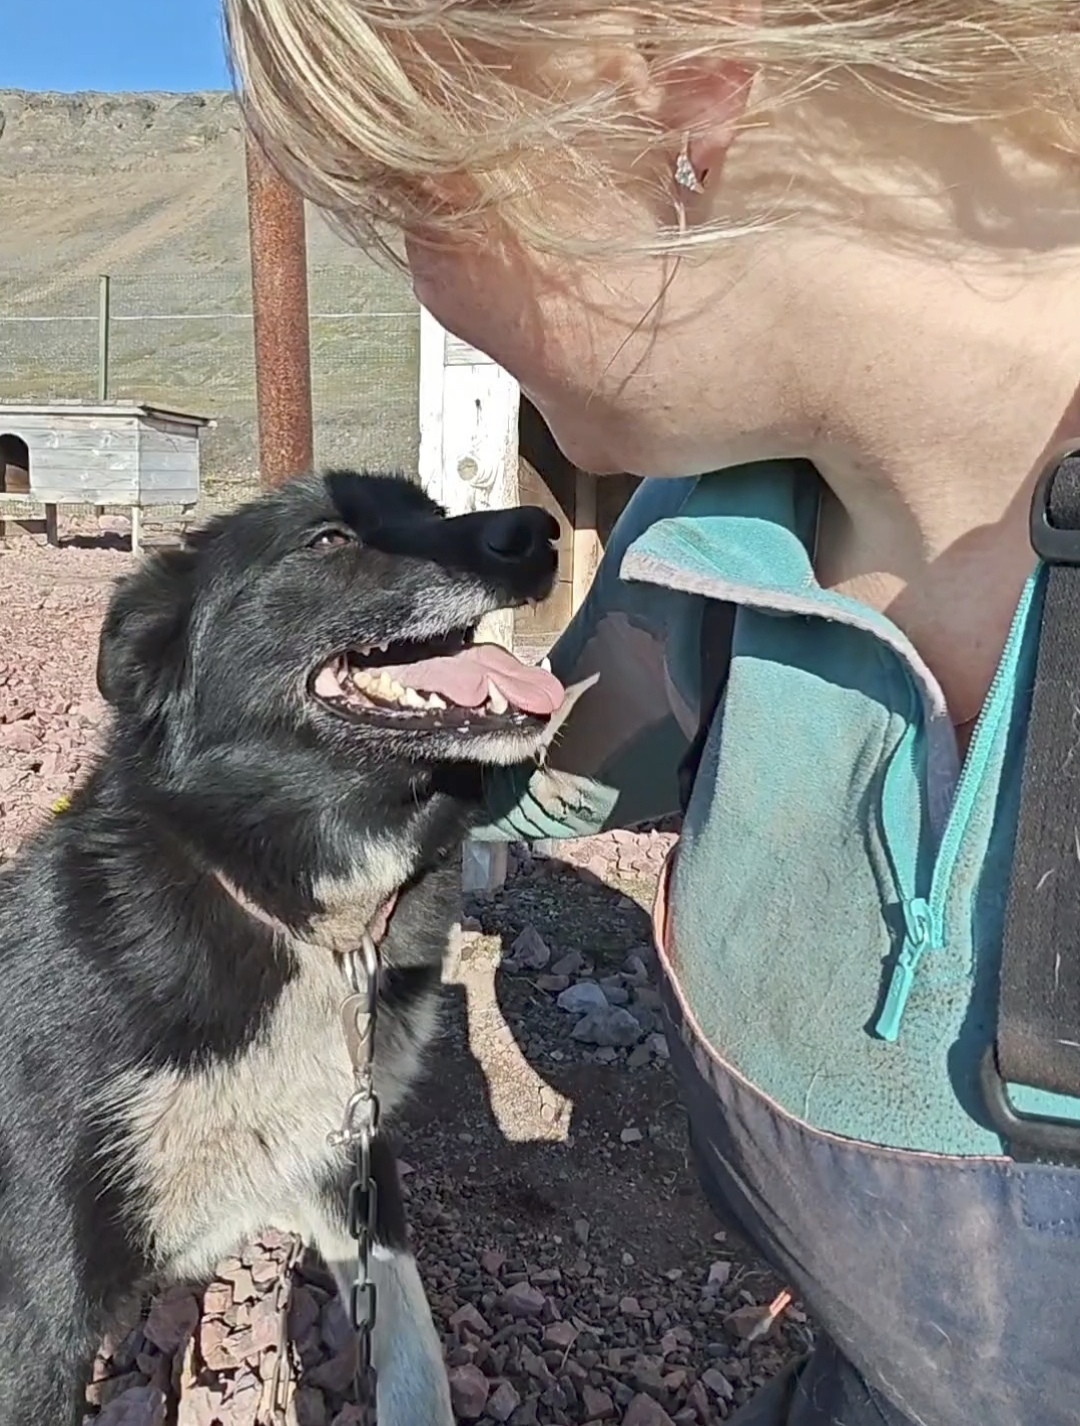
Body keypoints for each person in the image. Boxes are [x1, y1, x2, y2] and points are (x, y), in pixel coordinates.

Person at [225, 2, 1080, 1421]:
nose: (431, 294)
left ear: (676, 100)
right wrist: (381, 758)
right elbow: (558, 759)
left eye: (419, 201)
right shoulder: (709, 533)